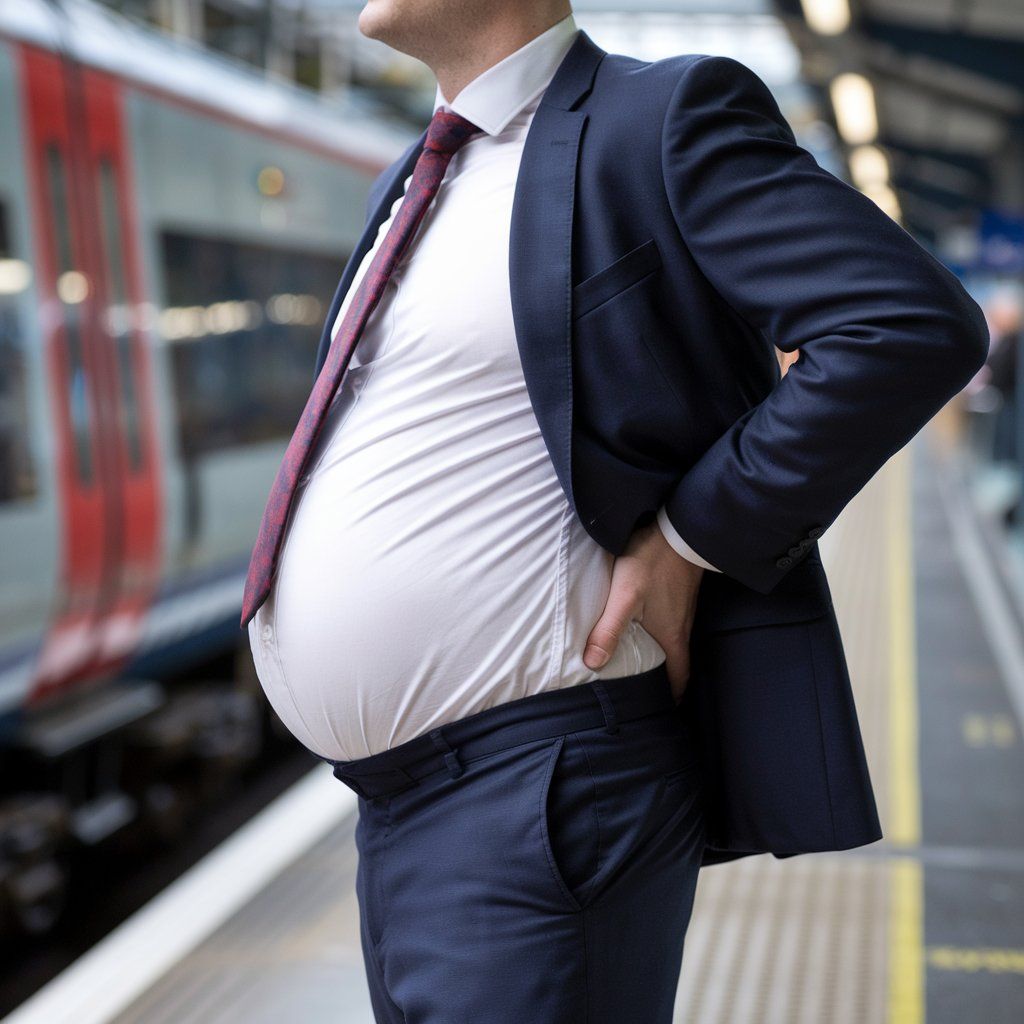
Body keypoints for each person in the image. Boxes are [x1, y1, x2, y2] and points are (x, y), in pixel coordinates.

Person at [239, 3, 990, 1021]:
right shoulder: (411, 181)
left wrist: (691, 536)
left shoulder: (661, 117)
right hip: (395, 812)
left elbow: (905, 324)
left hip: (540, 789)